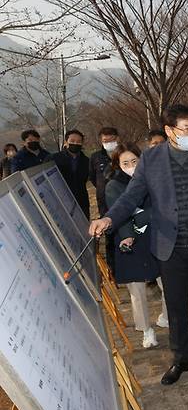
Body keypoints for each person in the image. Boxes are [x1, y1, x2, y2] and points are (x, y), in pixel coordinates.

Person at [89, 104, 188, 385]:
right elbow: (130, 198)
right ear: (169, 131)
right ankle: (181, 359)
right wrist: (107, 220)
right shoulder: (152, 160)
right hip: (170, 248)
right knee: (176, 305)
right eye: (186, 129)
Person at [104, 141, 167, 348]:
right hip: (129, 242)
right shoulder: (113, 185)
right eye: (125, 163)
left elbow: (161, 205)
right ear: (117, 165)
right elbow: (119, 214)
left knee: (166, 281)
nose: (131, 165)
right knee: (137, 290)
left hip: (155, 238)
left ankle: (167, 317)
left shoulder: (152, 179)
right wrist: (127, 235)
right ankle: (146, 330)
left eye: (134, 161)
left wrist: (144, 216)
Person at [90, 127, 120, 273]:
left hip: (124, 199)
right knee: (110, 235)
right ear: (101, 141)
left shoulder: (123, 153)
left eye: (111, 140)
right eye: (105, 141)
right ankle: (113, 269)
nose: (108, 143)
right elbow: (92, 177)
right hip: (105, 203)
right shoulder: (96, 157)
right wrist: (104, 190)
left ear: (117, 139)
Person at [45, 129, 91, 219]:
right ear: (66, 142)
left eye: (78, 142)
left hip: (81, 200)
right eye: (72, 141)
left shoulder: (86, 161)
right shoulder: (53, 159)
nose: (75, 144)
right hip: (59, 200)